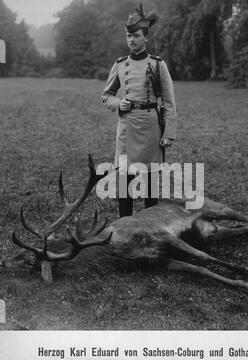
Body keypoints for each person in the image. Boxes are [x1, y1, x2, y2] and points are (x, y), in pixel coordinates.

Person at [102, 3, 177, 218]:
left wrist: (169, 133)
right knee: (125, 180)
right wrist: (118, 104)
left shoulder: (157, 64)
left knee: (151, 182)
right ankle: (124, 224)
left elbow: (169, 102)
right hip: (126, 129)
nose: (131, 40)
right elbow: (106, 96)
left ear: (146, 38)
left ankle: (151, 224)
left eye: (136, 35)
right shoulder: (119, 65)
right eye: (128, 36)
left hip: (151, 129)